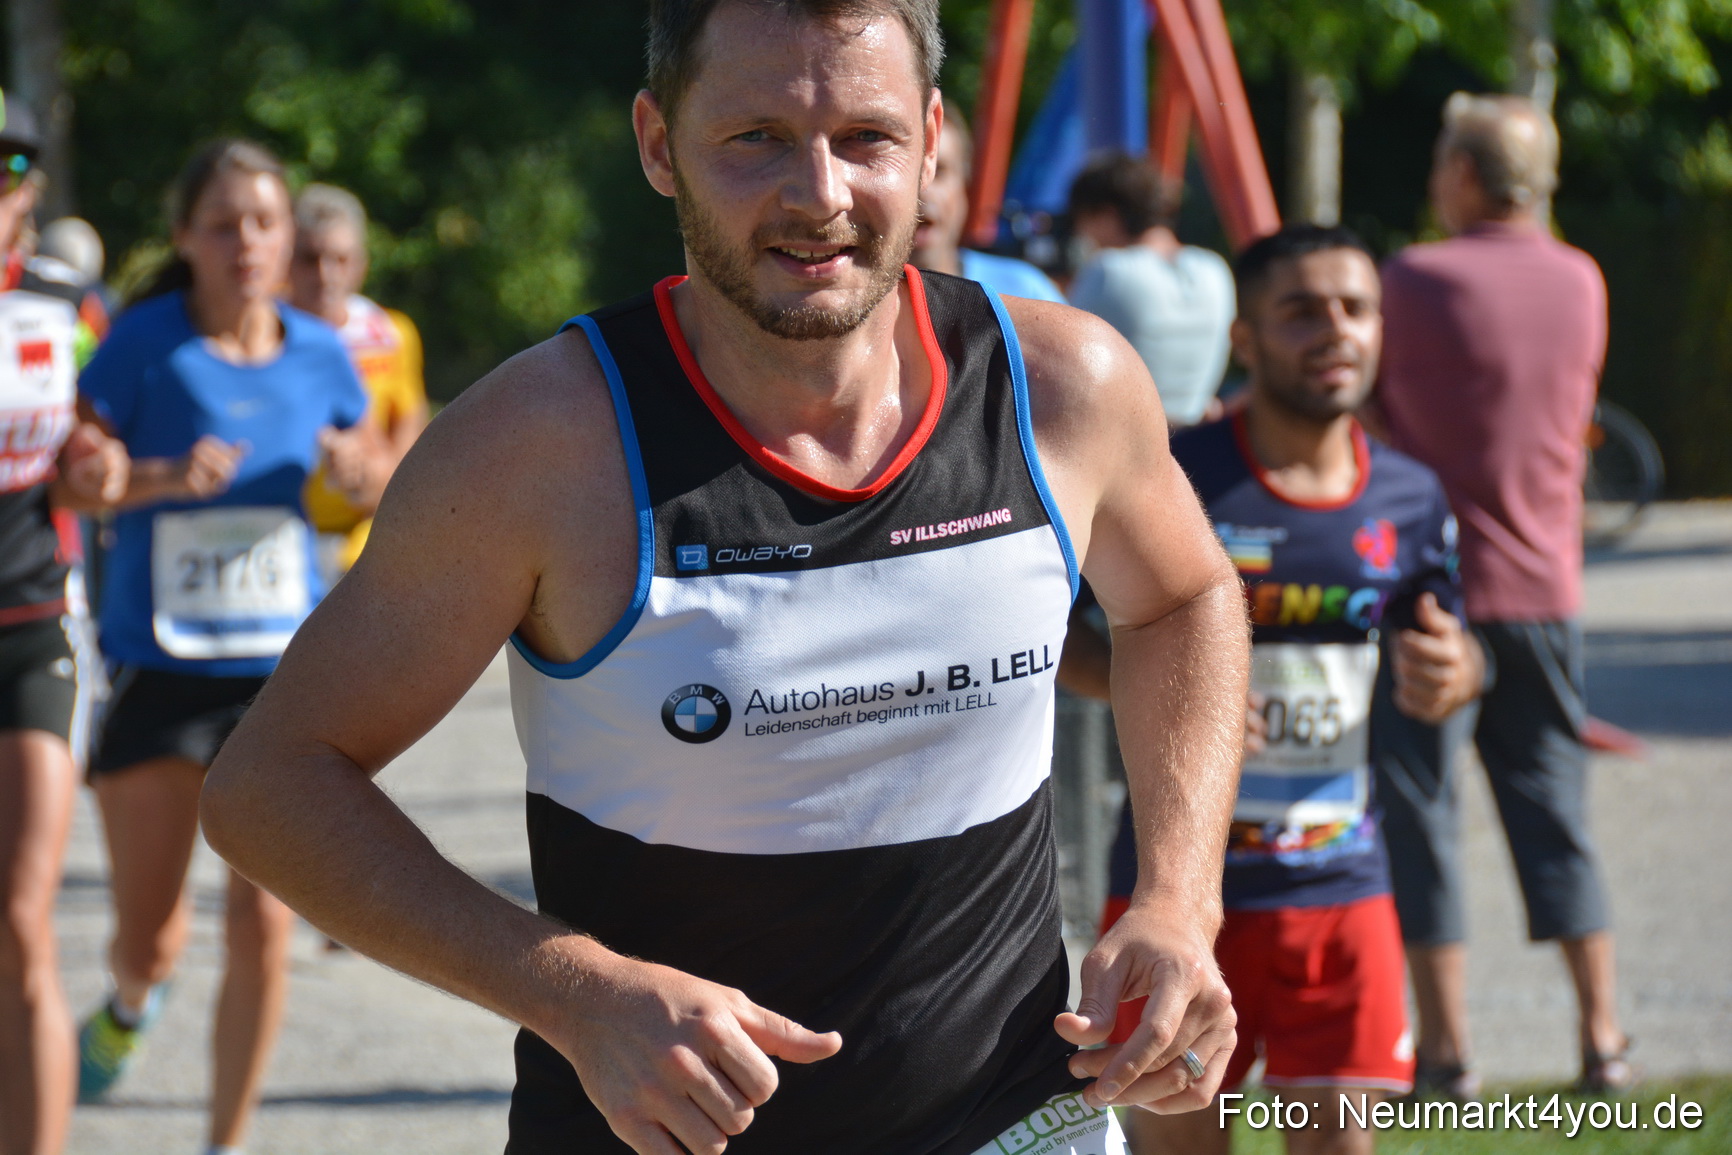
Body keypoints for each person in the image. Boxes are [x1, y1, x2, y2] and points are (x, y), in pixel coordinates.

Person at [200, 2, 1252, 1153]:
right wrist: (576, 994)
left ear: (933, 139)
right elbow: (270, 784)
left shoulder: (1063, 384)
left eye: (866, 137)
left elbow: (1183, 597)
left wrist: (1176, 899)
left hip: (1016, 1126)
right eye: (755, 136)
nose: (819, 194)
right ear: (657, 143)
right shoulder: (544, 444)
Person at [1067, 225, 1483, 1155]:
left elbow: (1450, 638)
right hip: (1178, 893)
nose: (1334, 331)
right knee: (1181, 1141)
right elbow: (1054, 633)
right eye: (1301, 311)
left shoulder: (1412, 496)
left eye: (1355, 308)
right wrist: (1188, 703)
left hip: (1343, 881)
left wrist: (1462, 672)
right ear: (1245, 339)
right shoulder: (1177, 474)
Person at [74, 139, 369, 1155]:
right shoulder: (141, 346)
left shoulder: (323, 354)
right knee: (149, 942)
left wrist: (361, 477)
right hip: (161, 669)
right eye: (223, 223)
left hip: (287, 681)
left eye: (263, 221)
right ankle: (126, 1002)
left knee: (265, 926)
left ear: (288, 237)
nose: (245, 241)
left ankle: (224, 1142)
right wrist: (159, 477)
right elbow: (77, 485)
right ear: (183, 238)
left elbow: (366, 482)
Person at [1371, 92, 1629, 1098]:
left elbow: (1375, 419)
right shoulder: (1583, 280)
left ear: (1466, 175)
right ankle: (1603, 1039)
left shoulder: (1414, 278)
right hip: (1543, 590)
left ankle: (1445, 1054)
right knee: (1555, 810)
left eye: (1442, 159)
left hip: (1429, 593)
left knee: (1420, 815)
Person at [0, 90, 127, 1155]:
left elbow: (98, 446)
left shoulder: (67, 305)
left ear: (28, 189)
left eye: (6, 167)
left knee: (19, 921)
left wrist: (97, 466)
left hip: (33, 624)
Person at [287, 183, 430, 586]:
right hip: (275, 533)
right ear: (284, 260)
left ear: (361, 264)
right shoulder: (256, 336)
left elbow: (409, 468)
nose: (325, 275)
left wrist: (360, 471)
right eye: (309, 258)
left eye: (340, 259)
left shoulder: (391, 334)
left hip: (360, 539)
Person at [1067, 152, 1235, 427]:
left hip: (1124, 437)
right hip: (1197, 432)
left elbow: (1067, 358)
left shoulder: (1109, 269)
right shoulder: (1214, 268)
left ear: (1107, 214)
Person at [910, 96, 1067, 303]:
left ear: (964, 189)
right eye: (910, 173)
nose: (924, 191)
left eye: (939, 172)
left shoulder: (1026, 294)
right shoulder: (855, 301)